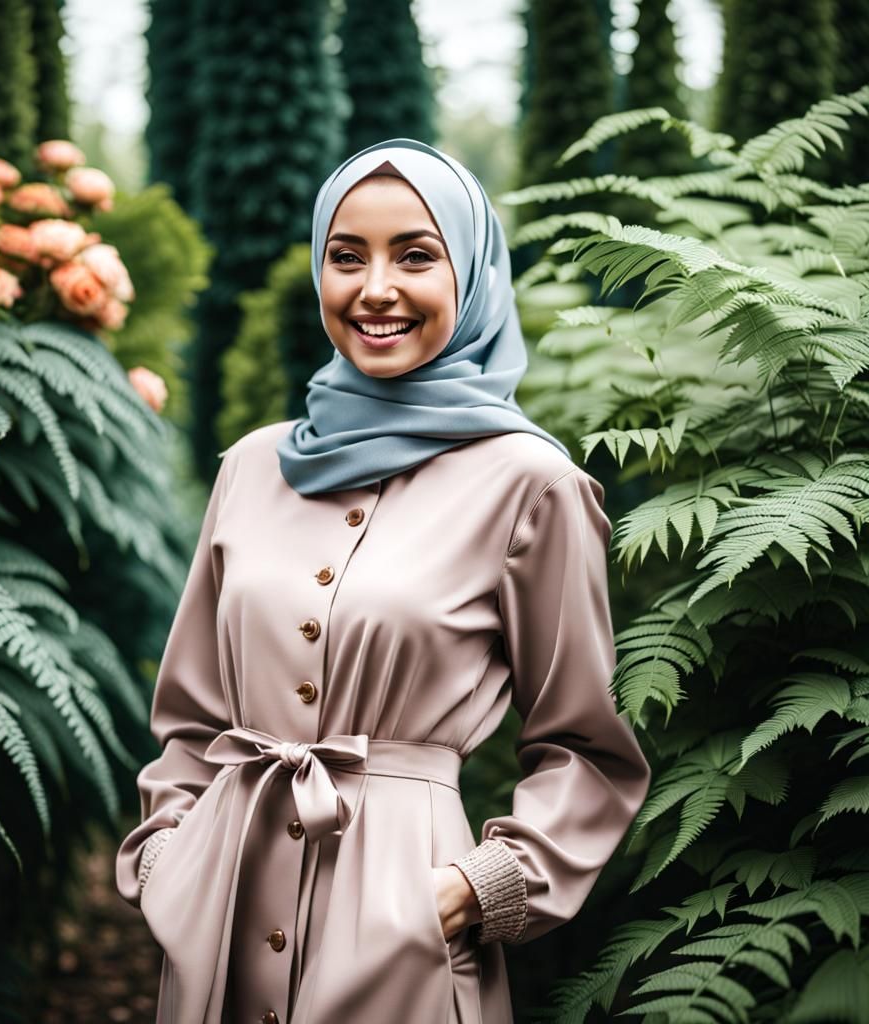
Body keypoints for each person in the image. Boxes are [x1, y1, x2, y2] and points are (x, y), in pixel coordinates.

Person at [114, 138, 652, 1024]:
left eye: (415, 255)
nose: (375, 289)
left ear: (471, 273)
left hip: (404, 941)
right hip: (219, 919)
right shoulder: (253, 466)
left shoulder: (532, 486)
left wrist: (471, 891)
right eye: (346, 256)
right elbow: (190, 722)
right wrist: (168, 859)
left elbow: (587, 753)